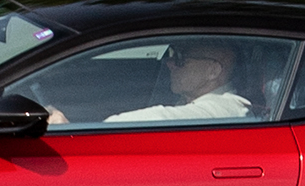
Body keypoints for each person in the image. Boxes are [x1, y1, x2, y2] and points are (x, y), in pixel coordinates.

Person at [101, 40, 252, 124]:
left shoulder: (226, 109)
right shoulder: (191, 101)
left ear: (213, 71)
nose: (169, 63)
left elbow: (160, 118)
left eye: (180, 59)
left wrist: (107, 126)